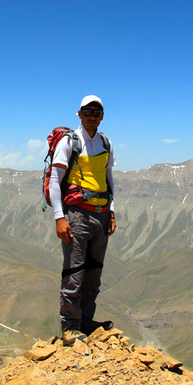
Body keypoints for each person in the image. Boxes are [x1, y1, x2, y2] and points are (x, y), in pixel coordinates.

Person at [48, 94, 117, 345]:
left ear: (102, 116)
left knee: (93, 274)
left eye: (96, 113)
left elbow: (109, 178)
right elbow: (56, 180)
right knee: (74, 272)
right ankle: (70, 328)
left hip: (100, 215)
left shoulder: (105, 143)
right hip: (76, 216)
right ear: (79, 114)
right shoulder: (69, 142)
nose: (92, 116)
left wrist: (111, 211)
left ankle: (86, 322)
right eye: (87, 112)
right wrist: (59, 217)